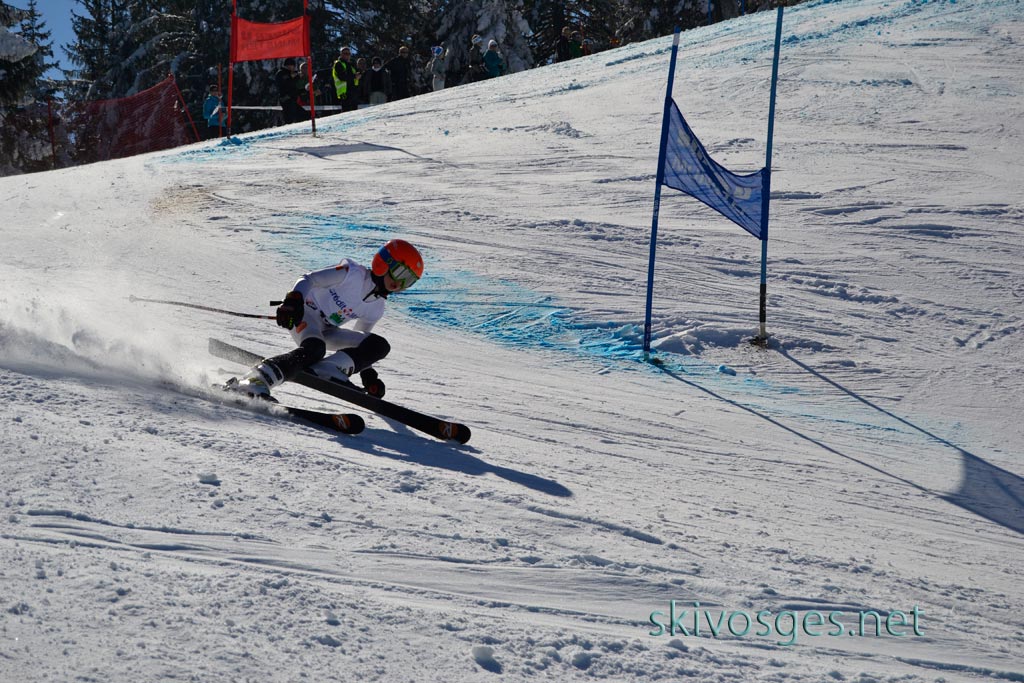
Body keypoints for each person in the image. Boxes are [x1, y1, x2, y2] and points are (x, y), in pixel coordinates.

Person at [229, 239, 425, 399]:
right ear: (384, 263)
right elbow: (309, 279)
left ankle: (330, 368)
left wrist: (368, 373)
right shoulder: (352, 274)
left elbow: (360, 341)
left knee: (378, 345)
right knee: (315, 349)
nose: (400, 284)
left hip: (329, 330)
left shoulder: (377, 307)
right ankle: (254, 380)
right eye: (400, 273)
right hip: (305, 313)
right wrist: (293, 301)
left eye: (408, 281)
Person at [275, 58, 306, 124]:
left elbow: (293, 89)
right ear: (289, 66)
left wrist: (304, 90)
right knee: (290, 119)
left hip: (291, 99)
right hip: (286, 99)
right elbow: (288, 85)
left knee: (302, 116)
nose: (294, 68)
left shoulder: (286, 74)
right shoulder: (282, 74)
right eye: (293, 66)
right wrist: (297, 77)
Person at [332, 46, 360, 112]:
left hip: (353, 91)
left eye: (349, 54)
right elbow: (342, 77)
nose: (347, 55)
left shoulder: (351, 64)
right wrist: (354, 76)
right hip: (344, 92)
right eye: (345, 53)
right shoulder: (338, 64)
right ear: (341, 54)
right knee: (346, 112)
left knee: (355, 111)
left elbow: (355, 74)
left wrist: (359, 74)